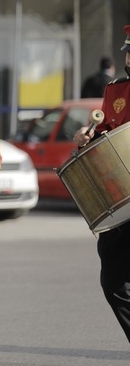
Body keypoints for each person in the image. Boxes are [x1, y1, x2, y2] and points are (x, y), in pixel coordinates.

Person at [73, 25, 130, 343]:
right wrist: (85, 138)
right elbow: (104, 131)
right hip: (119, 201)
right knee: (114, 284)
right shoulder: (115, 91)